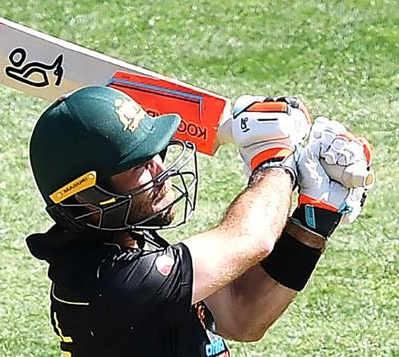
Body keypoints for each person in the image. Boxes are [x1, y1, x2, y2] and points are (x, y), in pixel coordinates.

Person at [26, 86, 373, 356]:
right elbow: (250, 238)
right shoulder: (113, 283)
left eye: (154, 155)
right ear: (89, 196)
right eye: (138, 166)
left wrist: (316, 218)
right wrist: (274, 160)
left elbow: (242, 315)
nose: (161, 170)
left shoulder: (128, 243)